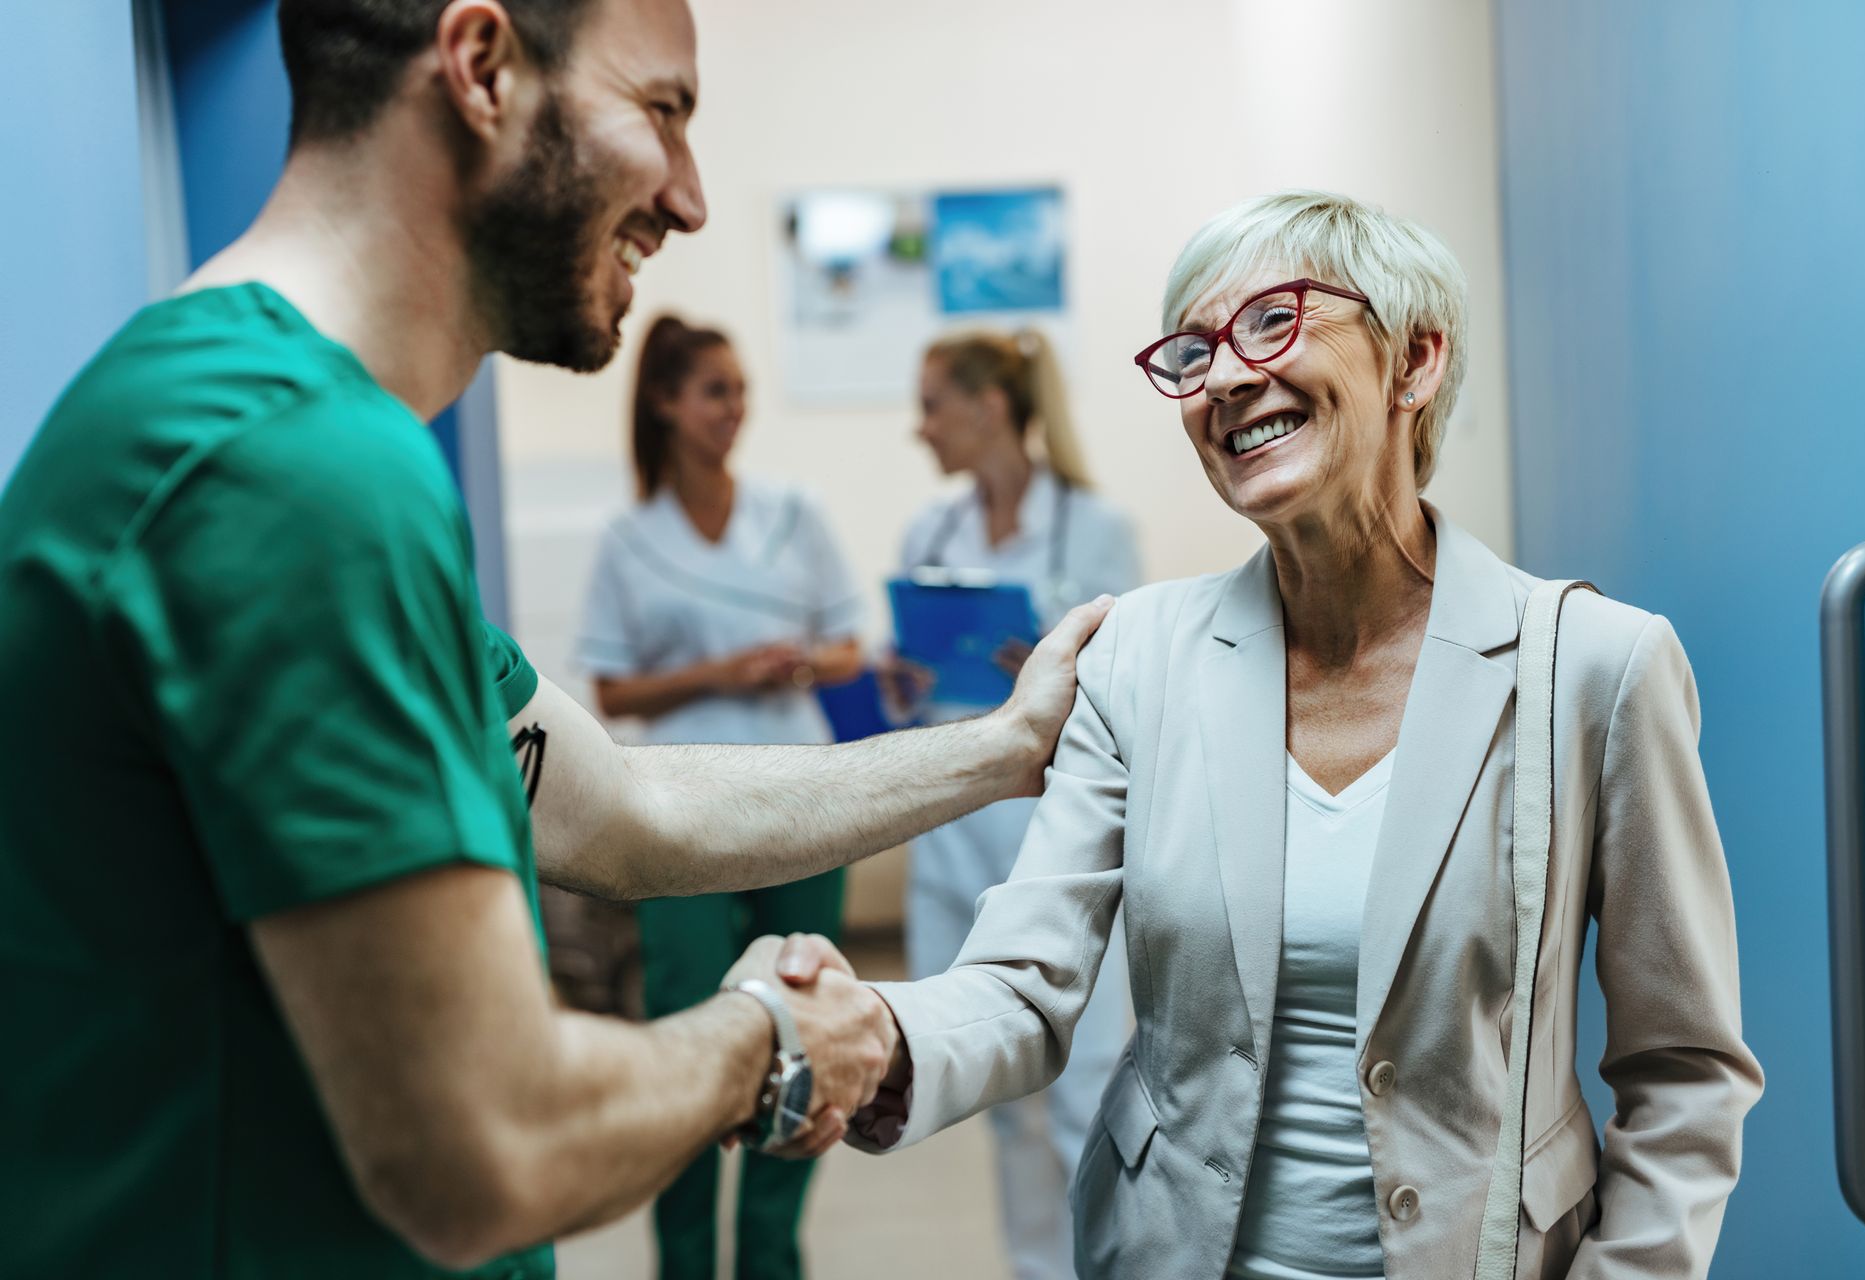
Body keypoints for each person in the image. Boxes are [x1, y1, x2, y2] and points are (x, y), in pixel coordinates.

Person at [0, 2, 1109, 1276]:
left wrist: (1007, 746)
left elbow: (626, 808)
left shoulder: (251, 421)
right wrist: (772, 1039)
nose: (691, 200)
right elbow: (489, 1145)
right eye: (663, 112)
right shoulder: (293, 472)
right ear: (481, 67)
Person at [810, 191, 1764, 1280]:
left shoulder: (1592, 666)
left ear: (1416, 361)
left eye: (1273, 321)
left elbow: (1684, 1068)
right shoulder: (1139, 658)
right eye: (1194, 349)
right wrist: (877, 1035)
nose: (1222, 377)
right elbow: (1025, 979)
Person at [574, 313, 865, 1280]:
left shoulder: (795, 510)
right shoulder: (629, 538)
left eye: (740, 390)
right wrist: (718, 673)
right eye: (713, 391)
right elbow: (612, 690)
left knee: (804, 1026)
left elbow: (850, 648)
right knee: (687, 1026)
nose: (734, 409)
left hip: (802, 801)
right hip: (681, 812)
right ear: (664, 402)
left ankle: (771, 1257)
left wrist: (797, 666)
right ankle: (687, 1262)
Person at [890, 328, 1141, 1280]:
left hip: (1063, 833)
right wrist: (905, 680)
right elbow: (910, 695)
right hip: (958, 833)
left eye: (932, 405)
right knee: (993, 1088)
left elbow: (1129, 684)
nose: (922, 429)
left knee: (1082, 1093)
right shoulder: (931, 534)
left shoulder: (1095, 527)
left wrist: (1043, 662)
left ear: (989, 406)